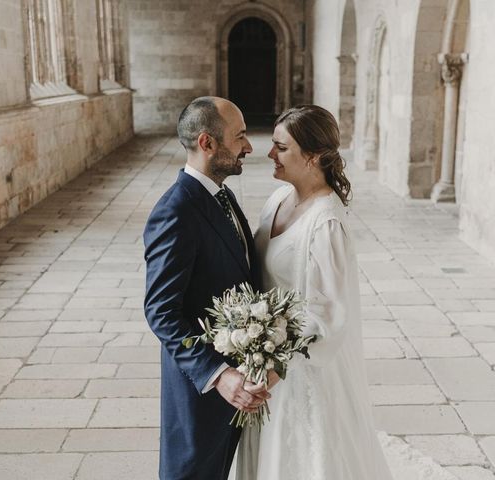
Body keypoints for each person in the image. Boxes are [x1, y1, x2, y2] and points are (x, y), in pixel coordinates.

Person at [235, 105, 394, 479]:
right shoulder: (277, 200)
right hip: (265, 354)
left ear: (314, 157)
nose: (270, 154)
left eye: (281, 147)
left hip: (300, 368)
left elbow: (329, 314)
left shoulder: (326, 223)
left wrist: (276, 367)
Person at [143, 96, 269, 480]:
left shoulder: (223, 195)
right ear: (206, 143)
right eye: (240, 136)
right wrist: (218, 374)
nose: (249, 146)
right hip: (200, 390)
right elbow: (161, 313)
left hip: (237, 382)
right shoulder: (176, 210)